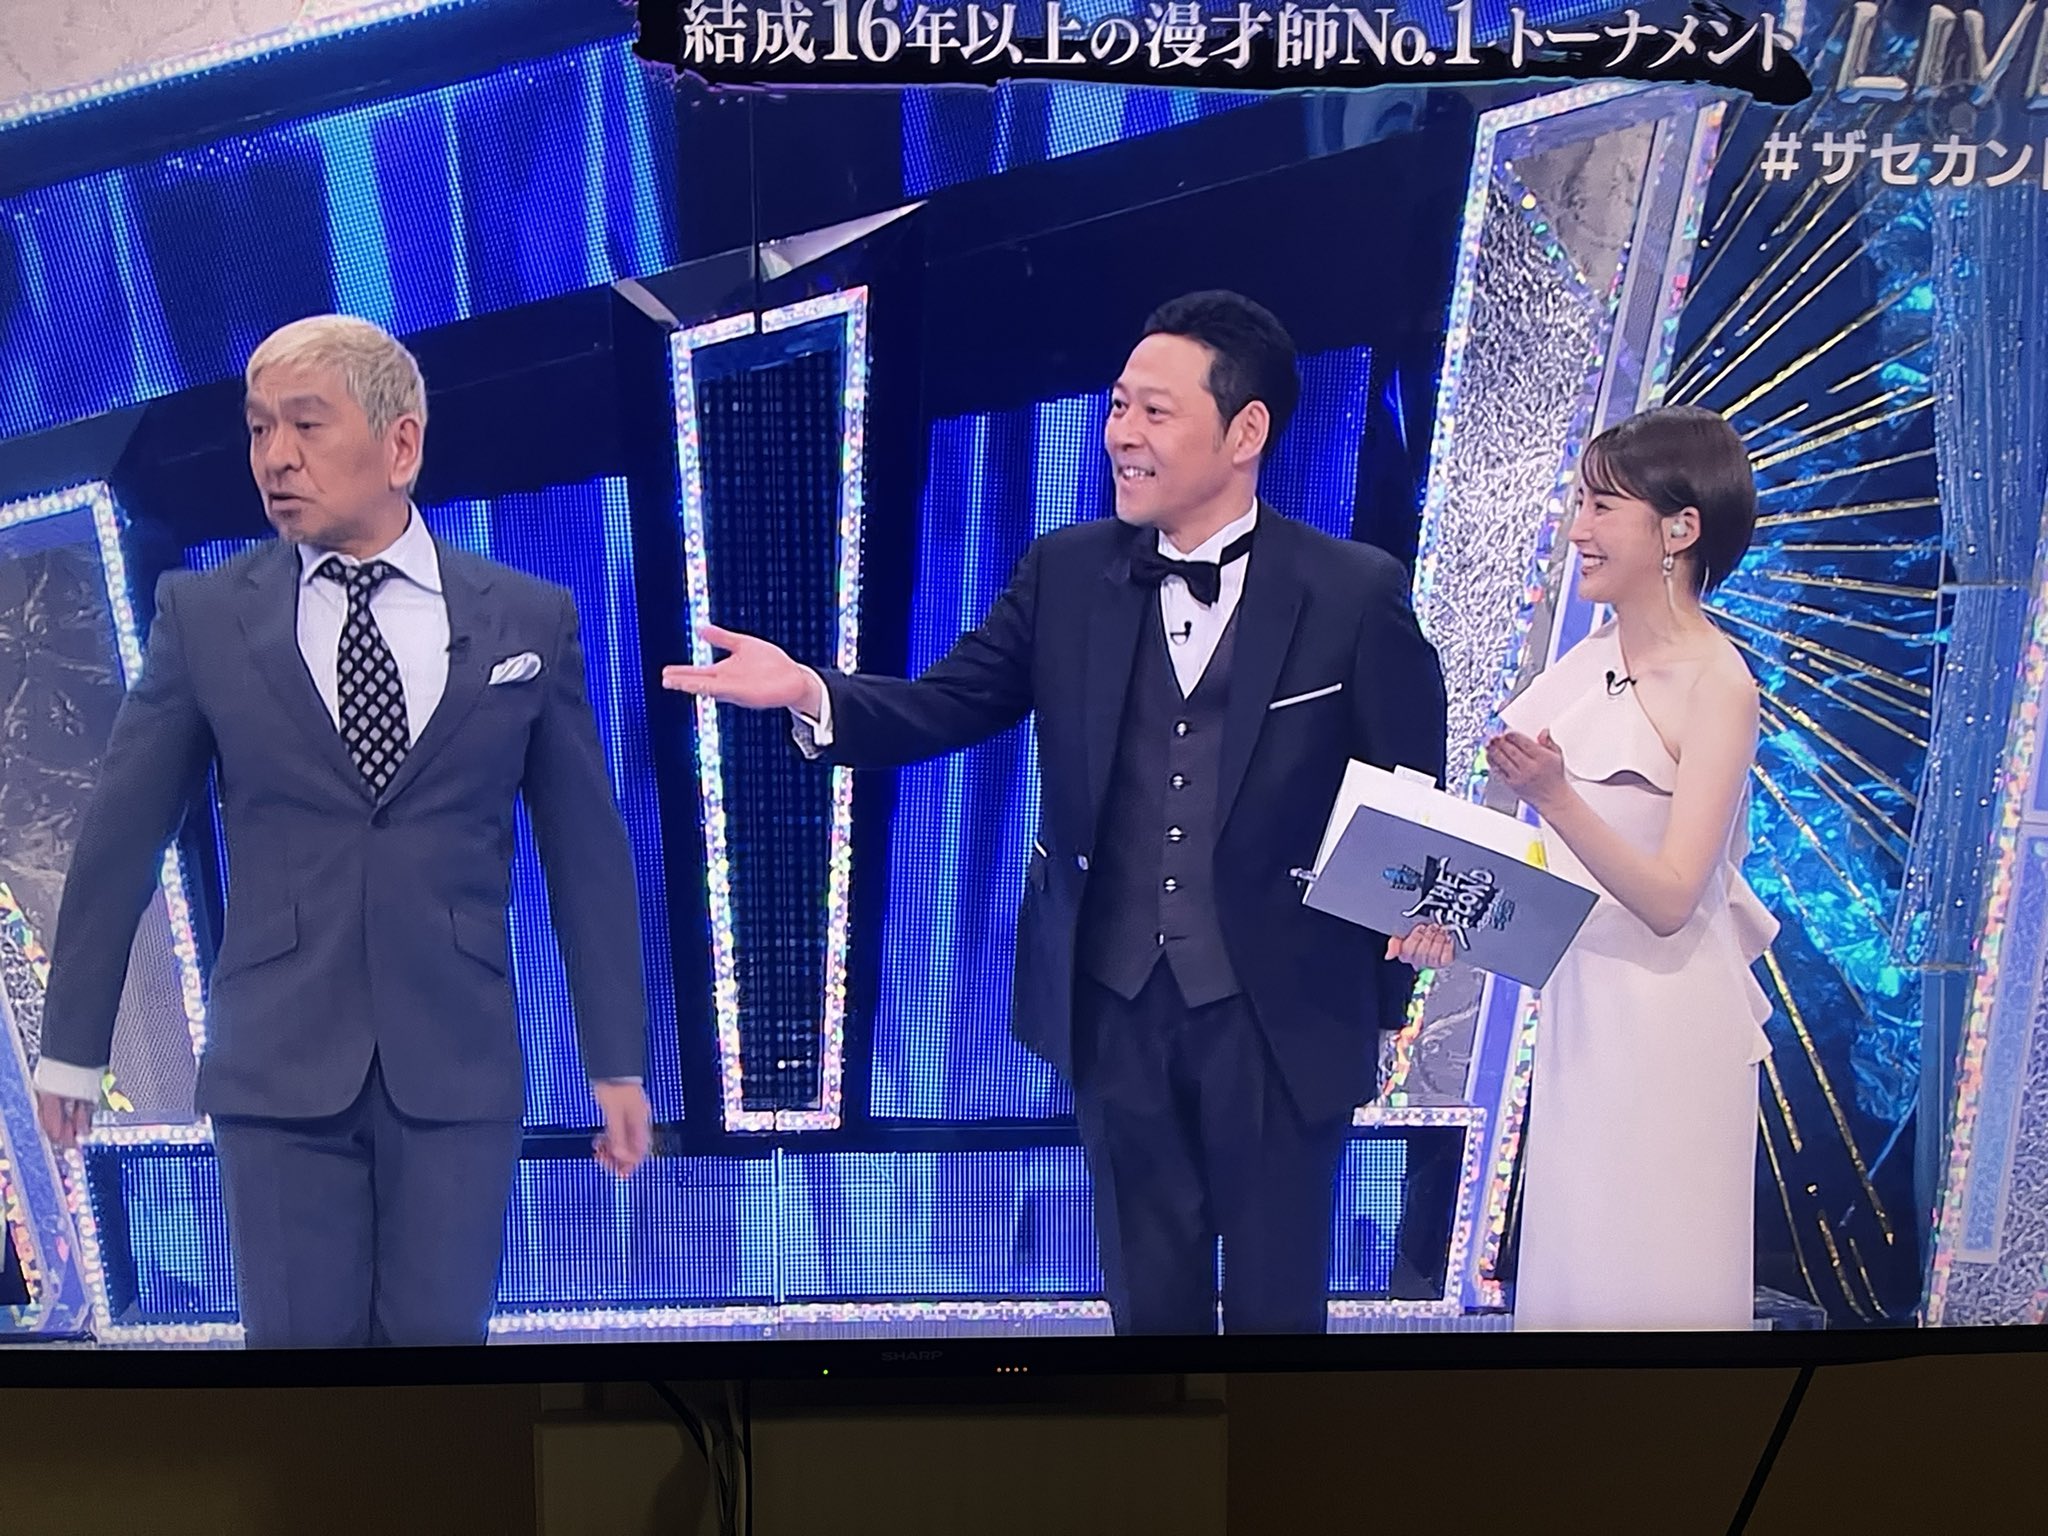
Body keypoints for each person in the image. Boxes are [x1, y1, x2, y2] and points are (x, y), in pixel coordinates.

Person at [662, 291, 1448, 1335]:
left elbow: (1408, 788)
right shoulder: (1066, 571)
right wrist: (812, 691)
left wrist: (1403, 963)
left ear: (1246, 429)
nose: (1122, 433)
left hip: (1281, 1015)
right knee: (1147, 1309)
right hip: (1112, 1005)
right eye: (1118, 406)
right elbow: (949, 702)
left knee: (1277, 1312)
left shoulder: (1351, 591)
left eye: (1155, 411)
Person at [34, 315, 653, 1348]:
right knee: (302, 1390)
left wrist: (615, 1062)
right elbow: (120, 837)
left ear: (400, 445)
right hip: (277, 1073)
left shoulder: (527, 619)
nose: (275, 457)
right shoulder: (205, 617)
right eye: (258, 429)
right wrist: (71, 1049)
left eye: (307, 426)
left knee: (437, 1382)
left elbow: (586, 854)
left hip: (454, 1068)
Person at [1394, 404, 1774, 1331]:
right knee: (1575, 1287)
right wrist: (1454, 916)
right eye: (1580, 504)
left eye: (1604, 507)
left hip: (1672, 1031)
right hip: (1579, 1015)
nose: (1579, 530)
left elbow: (1673, 897)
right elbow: (1548, 869)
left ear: (1680, 529)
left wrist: (1558, 796)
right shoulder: (1590, 661)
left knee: (1656, 1291)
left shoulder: (1720, 685)